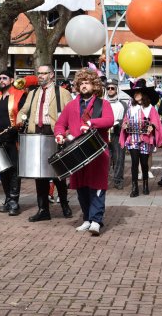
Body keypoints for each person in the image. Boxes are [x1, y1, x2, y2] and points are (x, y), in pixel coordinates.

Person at [54, 68, 114, 235]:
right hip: (77, 154)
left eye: (87, 82)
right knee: (81, 188)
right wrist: (59, 135)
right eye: (81, 83)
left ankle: (96, 220)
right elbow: (60, 124)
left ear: (94, 85)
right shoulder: (71, 105)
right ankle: (87, 219)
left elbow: (109, 120)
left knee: (97, 187)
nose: (84, 86)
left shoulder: (104, 104)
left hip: (97, 152)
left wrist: (91, 123)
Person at [17, 64, 72, 222]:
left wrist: (66, 132)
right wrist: (21, 118)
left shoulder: (63, 93)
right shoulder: (33, 93)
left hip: (54, 133)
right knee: (39, 174)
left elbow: (69, 114)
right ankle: (43, 209)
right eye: (39, 73)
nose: (40, 76)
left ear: (52, 75)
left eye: (44, 73)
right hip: (36, 134)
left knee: (58, 173)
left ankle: (64, 205)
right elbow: (24, 110)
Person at [120, 82, 162, 197]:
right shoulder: (131, 108)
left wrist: (152, 126)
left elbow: (156, 122)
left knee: (144, 163)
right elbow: (125, 121)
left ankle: (145, 184)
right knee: (134, 163)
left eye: (138, 92)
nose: (135, 94)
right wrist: (124, 125)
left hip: (145, 139)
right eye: (134, 93)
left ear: (143, 94)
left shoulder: (150, 109)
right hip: (133, 139)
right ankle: (134, 187)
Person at [0, 69, 26, 215]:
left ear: (11, 80)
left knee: (13, 171)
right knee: (3, 170)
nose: (1, 80)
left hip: (13, 138)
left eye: (4, 78)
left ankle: (14, 201)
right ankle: (7, 199)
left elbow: (24, 115)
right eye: (0, 78)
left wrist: (16, 128)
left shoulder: (20, 95)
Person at [105, 79, 125, 190]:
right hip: (105, 134)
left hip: (117, 134)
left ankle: (118, 180)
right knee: (106, 159)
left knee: (119, 158)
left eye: (112, 88)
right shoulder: (103, 103)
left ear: (116, 89)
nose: (110, 90)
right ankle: (104, 180)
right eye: (108, 88)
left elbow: (126, 118)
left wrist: (119, 123)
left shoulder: (122, 104)